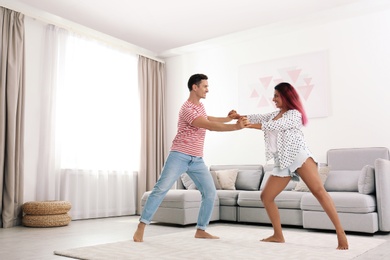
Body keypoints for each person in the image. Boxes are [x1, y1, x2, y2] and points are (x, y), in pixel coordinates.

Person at [230, 82, 348, 250]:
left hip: (299, 157)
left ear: (286, 97)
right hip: (282, 161)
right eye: (274, 96)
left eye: (276, 96)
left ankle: (340, 233)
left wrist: (247, 125)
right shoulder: (275, 114)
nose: (273, 99)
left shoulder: (295, 114)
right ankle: (278, 235)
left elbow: (275, 126)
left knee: (319, 192)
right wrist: (238, 116)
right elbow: (258, 117)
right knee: (266, 196)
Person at [133, 73, 249, 242]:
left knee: (210, 192)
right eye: (205, 86)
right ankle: (141, 226)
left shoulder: (199, 107)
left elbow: (208, 118)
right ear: (195, 87)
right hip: (179, 155)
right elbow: (208, 125)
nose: (207, 90)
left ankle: (201, 229)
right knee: (161, 189)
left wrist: (227, 118)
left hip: (196, 159)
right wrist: (236, 127)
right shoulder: (186, 109)